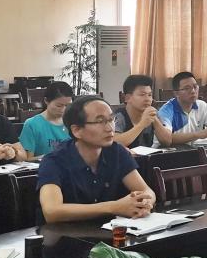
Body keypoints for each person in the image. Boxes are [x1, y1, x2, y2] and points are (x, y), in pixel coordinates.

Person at [37, 95, 158, 224]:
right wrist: (114, 207)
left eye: (111, 119)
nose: (110, 128)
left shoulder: (117, 152)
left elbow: (146, 191)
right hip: (67, 233)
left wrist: (145, 202)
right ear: (77, 130)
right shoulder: (54, 161)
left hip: (111, 230)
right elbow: (52, 211)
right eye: (100, 121)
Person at [156, 72, 207, 144]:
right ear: (176, 93)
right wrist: (199, 134)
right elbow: (167, 139)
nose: (193, 91)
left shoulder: (202, 106)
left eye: (195, 87)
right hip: (166, 150)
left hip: (193, 149)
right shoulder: (166, 111)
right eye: (187, 88)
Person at [112, 74, 172, 149]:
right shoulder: (120, 116)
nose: (147, 99)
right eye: (142, 95)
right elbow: (114, 142)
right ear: (127, 98)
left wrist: (155, 119)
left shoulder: (152, 113)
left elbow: (167, 142)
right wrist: (142, 124)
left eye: (149, 95)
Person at [18, 81, 74, 159]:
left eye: (68, 105)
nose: (63, 110)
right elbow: (27, 159)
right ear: (46, 101)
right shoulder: (32, 124)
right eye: (59, 106)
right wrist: (51, 157)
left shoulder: (73, 122)